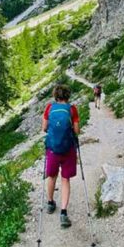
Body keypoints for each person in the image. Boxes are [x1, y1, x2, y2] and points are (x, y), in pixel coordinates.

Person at [42, 84, 81, 228]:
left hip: (52, 149)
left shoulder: (49, 108)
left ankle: (50, 203)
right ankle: (64, 213)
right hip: (68, 149)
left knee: (52, 176)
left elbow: (44, 128)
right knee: (65, 179)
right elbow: (76, 131)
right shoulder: (72, 109)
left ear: (55, 95)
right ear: (68, 95)